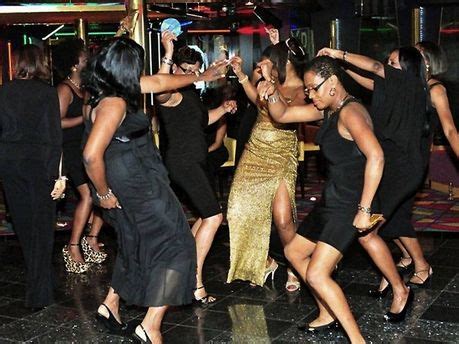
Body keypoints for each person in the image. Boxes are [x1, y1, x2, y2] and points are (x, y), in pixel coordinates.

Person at [82, 37, 226, 343]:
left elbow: (162, 80)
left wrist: (201, 76)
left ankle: (111, 303)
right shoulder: (115, 103)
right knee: (178, 245)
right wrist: (104, 193)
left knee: (135, 241)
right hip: (136, 182)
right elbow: (91, 154)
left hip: (130, 178)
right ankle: (151, 325)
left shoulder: (111, 91)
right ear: (128, 68)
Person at [257, 55, 384, 344]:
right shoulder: (330, 109)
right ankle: (327, 312)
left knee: (316, 273)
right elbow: (283, 115)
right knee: (293, 253)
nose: (308, 94)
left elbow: (376, 155)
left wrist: (364, 209)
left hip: (350, 203)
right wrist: (272, 92)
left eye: (313, 88)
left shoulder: (351, 112)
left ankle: (357, 340)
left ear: (333, 84)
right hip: (332, 199)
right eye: (307, 89)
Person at [319, 46, 430, 320]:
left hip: (403, 167)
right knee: (392, 221)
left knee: (371, 227)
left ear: (408, 68)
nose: (387, 65)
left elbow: (374, 69)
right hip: (391, 164)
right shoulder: (393, 87)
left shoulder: (412, 85)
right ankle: (403, 271)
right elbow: (370, 79)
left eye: (394, 62)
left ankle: (400, 286)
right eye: (388, 61)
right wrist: (341, 70)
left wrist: (339, 55)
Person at [155, 34, 237, 304]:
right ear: (176, 69)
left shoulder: (190, 93)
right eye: (185, 71)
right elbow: (160, 89)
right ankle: (195, 282)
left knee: (205, 218)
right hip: (183, 163)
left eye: (194, 71)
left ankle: (181, 270)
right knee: (214, 217)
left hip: (196, 162)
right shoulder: (171, 94)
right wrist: (168, 52)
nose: (190, 75)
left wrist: (223, 109)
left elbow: (200, 122)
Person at [226, 38, 306, 288]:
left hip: (281, 153)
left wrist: (270, 83)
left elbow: (286, 115)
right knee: (238, 208)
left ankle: (295, 264)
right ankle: (265, 261)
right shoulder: (266, 82)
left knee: (282, 219)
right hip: (255, 150)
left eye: (267, 63)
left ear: (282, 63)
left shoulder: (303, 88)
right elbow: (255, 99)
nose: (261, 67)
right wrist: (241, 75)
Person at [0, 44, 62, 309]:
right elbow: (53, 136)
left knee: (25, 227)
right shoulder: (46, 93)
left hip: (9, 165)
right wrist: (60, 176)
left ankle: (42, 282)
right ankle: (39, 293)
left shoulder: (3, 91)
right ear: (40, 63)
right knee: (42, 229)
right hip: (39, 165)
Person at [53, 38, 107, 273]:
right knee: (87, 195)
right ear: (74, 64)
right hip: (71, 149)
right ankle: (73, 246)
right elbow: (56, 122)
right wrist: (84, 118)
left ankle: (91, 238)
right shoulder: (64, 89)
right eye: (84, 56)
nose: (88, 58)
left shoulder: (84, 87)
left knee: (103, 193)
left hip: (86, 145)